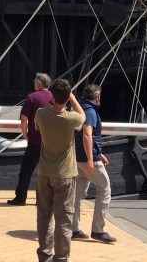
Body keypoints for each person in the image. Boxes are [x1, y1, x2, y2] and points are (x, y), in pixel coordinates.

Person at [34, 79, 85, 262]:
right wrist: (73, 99)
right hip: (64, 174)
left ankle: (44, 255)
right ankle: (61, 258)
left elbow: (38, 125)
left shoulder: (41, 114)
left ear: (52, 95)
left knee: (44, 216)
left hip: (44, 172)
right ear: (67, 97)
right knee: (63, 219)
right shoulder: (71, 119)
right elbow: (83, 117)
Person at [70, 84, 115, 244]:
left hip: (77, 157)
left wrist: (98, 152)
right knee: (104, 189)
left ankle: (74, 228)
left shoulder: (78, 108)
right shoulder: (90, 111)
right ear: (97, 97)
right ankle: (98, 229)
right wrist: (92, 158)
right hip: (88, 159)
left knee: (76, 194)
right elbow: (87, 135)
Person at [9, 72, 52, 205]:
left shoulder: (31, 97)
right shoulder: (53, 96)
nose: (33, 83)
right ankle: (45, 199)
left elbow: (24, 119)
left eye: (35, 81)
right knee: (48, 172)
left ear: (39, 83)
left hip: (35, 141)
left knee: (26, 171)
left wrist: (25, 135)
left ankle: (21, 197)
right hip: (50, 142)